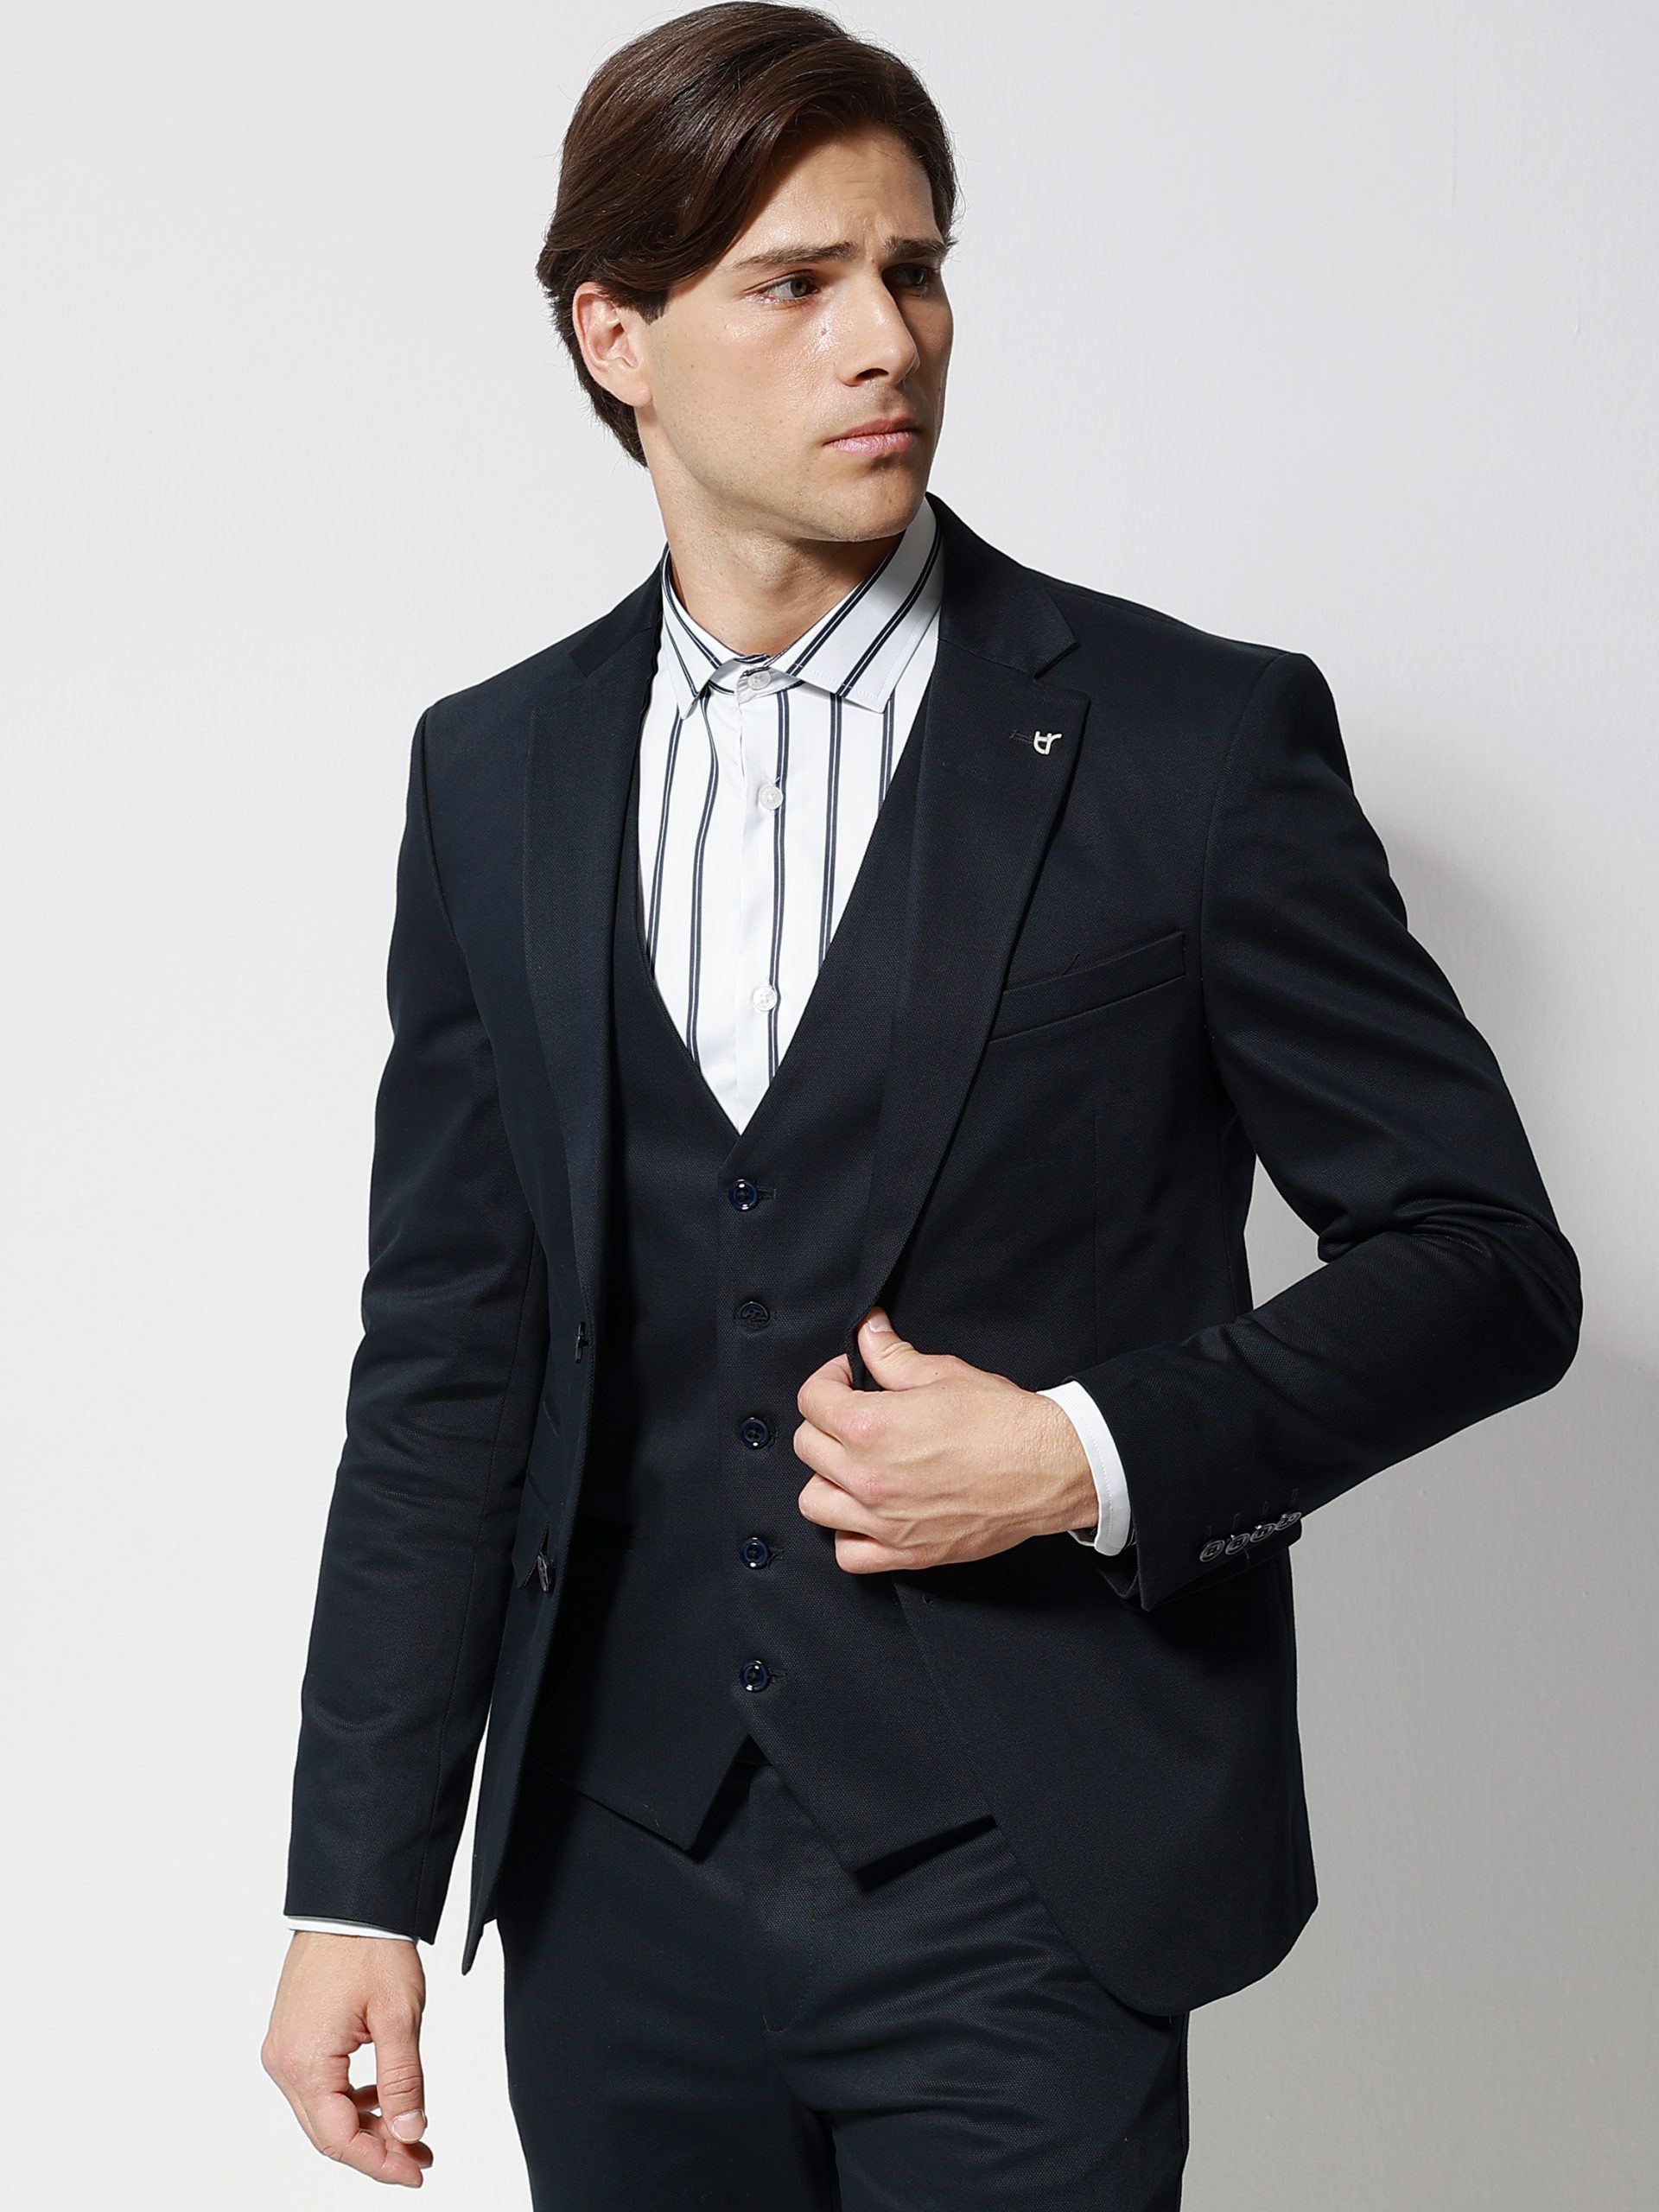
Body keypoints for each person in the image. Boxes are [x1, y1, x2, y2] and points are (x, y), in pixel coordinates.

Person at [260, 6, 1581, 2203]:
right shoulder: (496, 773)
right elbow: (446, 1356)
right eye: (795, 282)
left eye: (916, 269)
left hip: (1022, 1877)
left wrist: (1083, 1450)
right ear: (617, 336)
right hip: (615, 1872)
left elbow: (1487, 1262)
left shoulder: (1191, 744)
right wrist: (354, 1880)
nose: (887, 337)